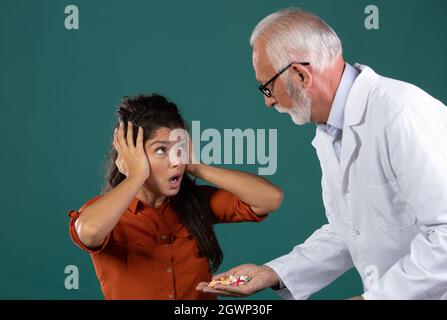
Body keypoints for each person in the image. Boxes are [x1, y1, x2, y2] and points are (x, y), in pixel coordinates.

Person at [197, 7, 447, 300]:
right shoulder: (330, 131)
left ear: (301, 75)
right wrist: (273, 272)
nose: (268, 102)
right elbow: (347, 231)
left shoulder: (401, 113)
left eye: (267, 88)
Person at [67, 94, 283, 300]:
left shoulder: (196, 200)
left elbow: (270, 198)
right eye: (161, 150)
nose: (176, 160)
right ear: (131, 156)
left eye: (179, 148)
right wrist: (136, 176)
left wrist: (197, 167)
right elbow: (89, 231)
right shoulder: (104, 213)